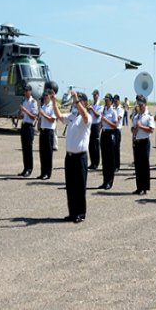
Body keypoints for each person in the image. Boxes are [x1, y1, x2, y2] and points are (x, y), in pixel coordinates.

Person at [53, 90, 91, 224]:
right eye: (76, 101)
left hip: (80, 157)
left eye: (79, 101)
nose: (76, 103)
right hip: (69, 157)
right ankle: (72, 212)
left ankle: (80, 213)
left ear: (84, 103)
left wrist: (76, 99)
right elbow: (59, 116)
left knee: (80, 186)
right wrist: (53, 101)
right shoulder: (73, 115)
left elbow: (85, 116)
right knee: (70, 186)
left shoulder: (86, 117)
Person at [131, 94, 155, 195]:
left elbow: (151, 129)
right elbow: (132, 129)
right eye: (138, 104)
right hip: (137, 141)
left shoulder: (148, 116)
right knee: (138, 165)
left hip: (145, 142)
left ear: (145, 104)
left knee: (144, 165)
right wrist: (134, 129)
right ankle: (139, 187)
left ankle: (144, 188)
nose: (139, 106)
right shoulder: (137, 116)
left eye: (141, 105)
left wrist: (141, 127)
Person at [99, 93, 118, 189]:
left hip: (110, 134)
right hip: (104, 133)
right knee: (105, 159)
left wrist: (105, 120)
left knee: (110, 160)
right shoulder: (104, 110)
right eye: (105, 100)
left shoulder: (113, 112)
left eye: (107, 100)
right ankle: (104, 180)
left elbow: (115, 125)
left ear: (111, 101)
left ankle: (110, 181)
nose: (105, 102)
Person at [18, 85, 38, 177]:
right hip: (24, 126)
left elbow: (34, 117)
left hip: (30, 127)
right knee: (24, 149)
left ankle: (29, 169)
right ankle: (25, 168)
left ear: (30, 91)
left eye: (26, 91)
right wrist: (20, 112)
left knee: (29, 149)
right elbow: (22, 116)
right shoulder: (24, 101)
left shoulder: (33, 102)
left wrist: (25, 110)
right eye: (24, 91)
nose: (25, 92)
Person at [37, 91, 57, 179]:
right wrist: (39, 124)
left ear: (50, 96)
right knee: (42, 152)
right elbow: (40, 118)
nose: (45, 97)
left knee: (48, 153)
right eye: (44, 96)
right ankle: (42, 172)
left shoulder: (52, 107)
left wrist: (43, 114)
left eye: (46, 95)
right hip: (43, 130)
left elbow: (52, 119)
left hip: (49, 131)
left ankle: (47, 173)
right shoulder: (43, 106)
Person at [87, 89, 103, 170]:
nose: (94, 97)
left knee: (95, 144)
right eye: (93, 95)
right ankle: (92, 162)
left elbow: (97, 115)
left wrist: (92, 109)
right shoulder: (92, 104)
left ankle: (96, 162)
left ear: (98, 95)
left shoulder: (100, 105)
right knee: (91, 144)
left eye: (95, 95)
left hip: (96, 125)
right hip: (91, 124)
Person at [113, 94, 124, 172]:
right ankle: (113, 164)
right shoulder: (113, 108)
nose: (115, 102)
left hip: (117, 130)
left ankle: (117, 165)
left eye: (116, 101)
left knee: (116, 148)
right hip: (112, 129)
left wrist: (111, 118)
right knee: (112, 148)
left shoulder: (121, 109)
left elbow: (118, 118)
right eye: (114, 101)